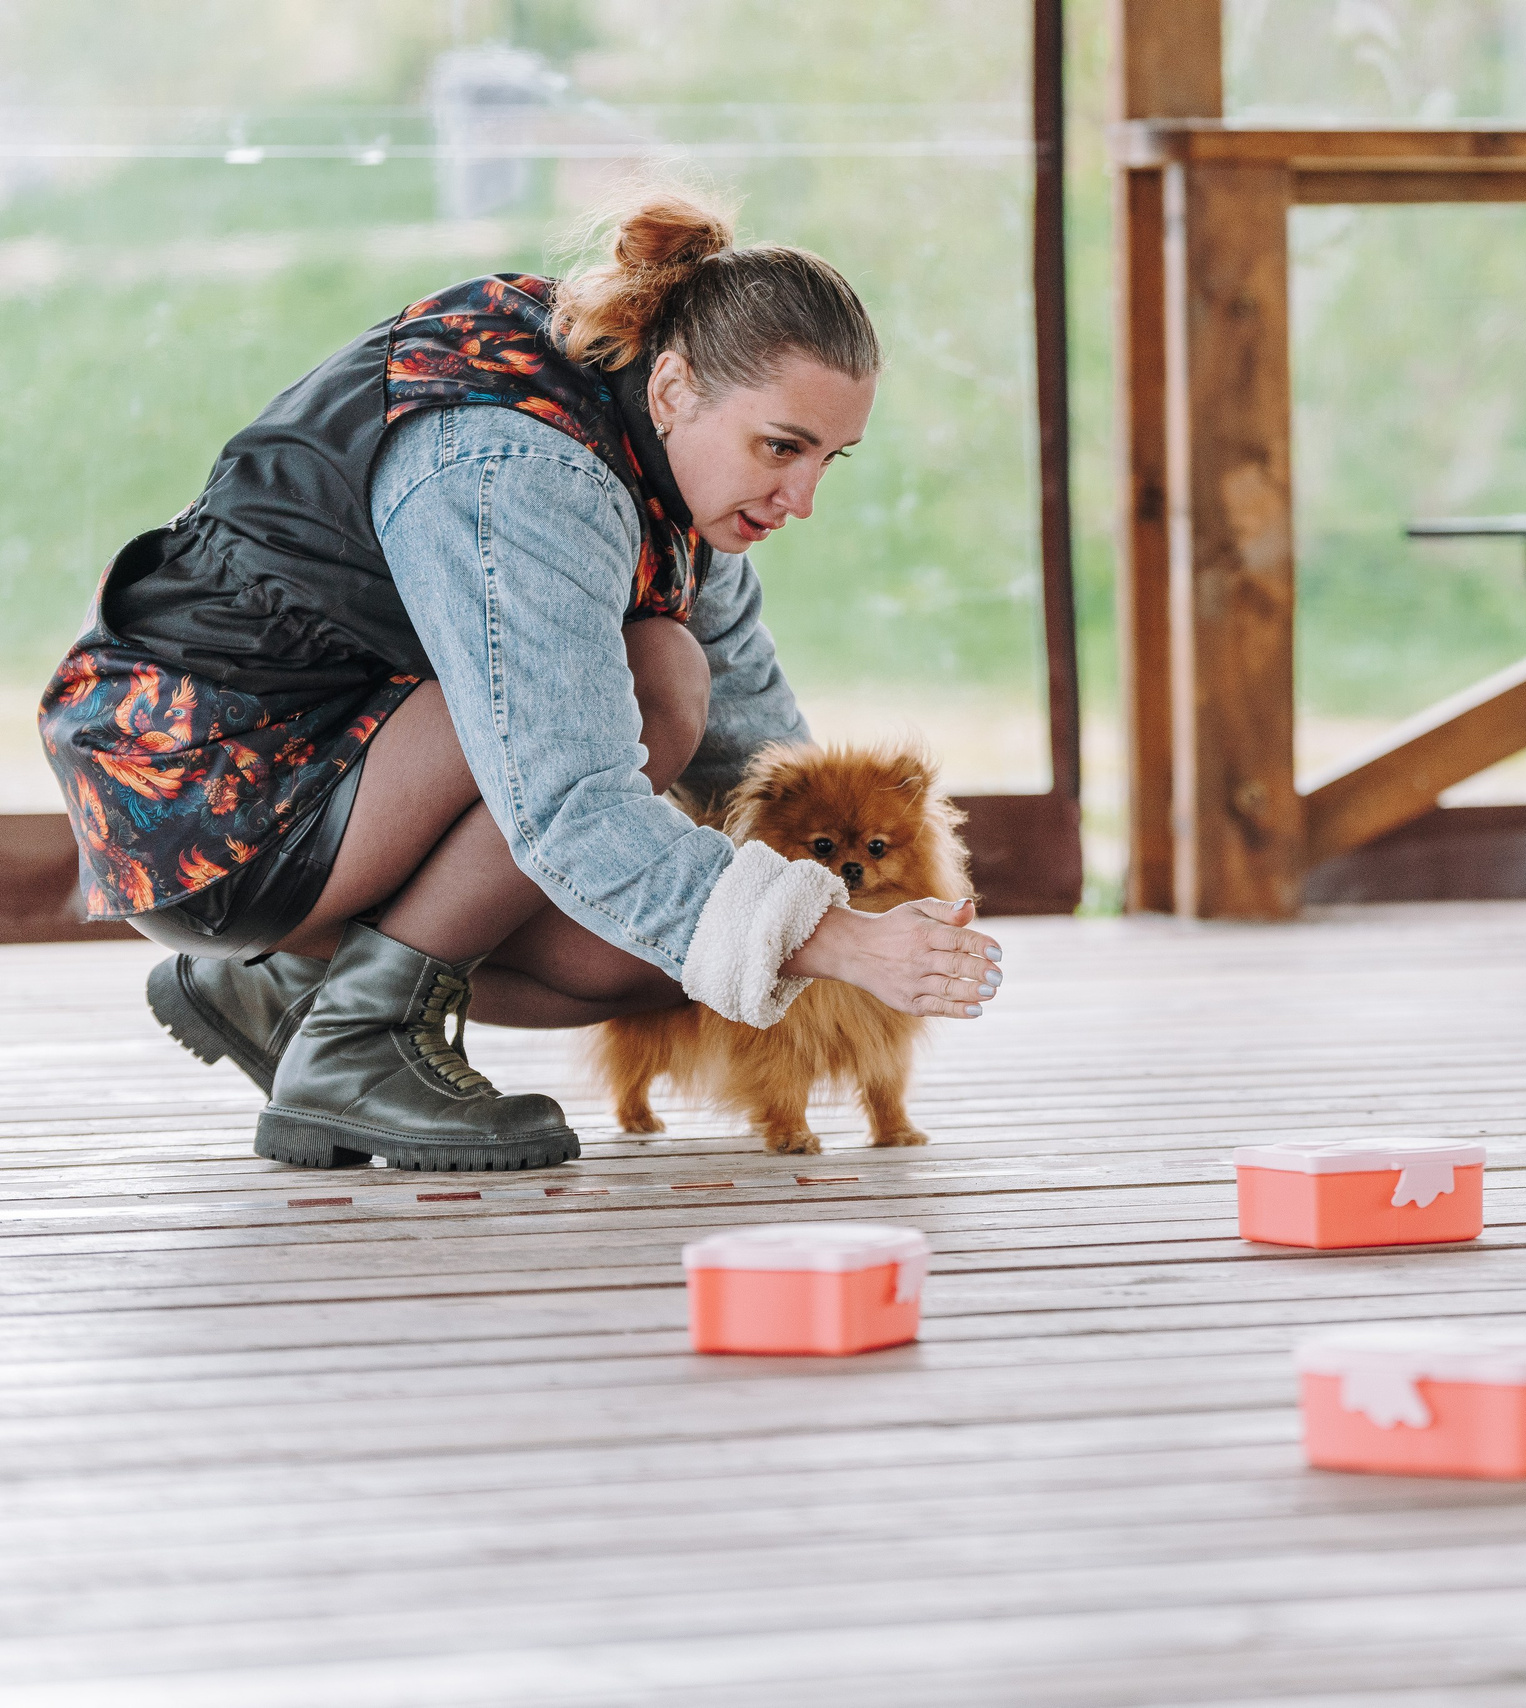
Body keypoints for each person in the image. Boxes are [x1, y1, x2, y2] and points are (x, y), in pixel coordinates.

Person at [37, 191, 1002, 1174]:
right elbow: (563, 793)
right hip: (205, 796)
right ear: (672, 388)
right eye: (782, 447)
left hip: (342, 769)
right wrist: (828, 938)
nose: (803, 499)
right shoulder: (519, 464)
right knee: (656, 677)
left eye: (829, 460)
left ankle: (284, 990)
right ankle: (358, 1043)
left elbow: (753, 765)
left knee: (674, 965)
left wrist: (841, 915)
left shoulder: (674, 477)